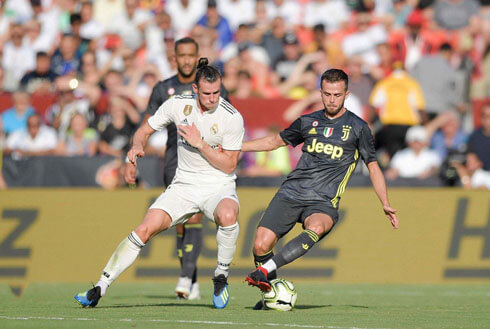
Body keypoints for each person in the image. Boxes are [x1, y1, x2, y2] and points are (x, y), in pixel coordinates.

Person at [75, 58, 244, 310]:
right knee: (144, 229)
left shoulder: (231, 117)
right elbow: (144, 130)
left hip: (217, 185)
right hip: (184, 185)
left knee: (229, 215)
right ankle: (99, 287)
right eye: (207, 93)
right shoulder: (177, 105)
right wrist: (134, 149)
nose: (213, 98)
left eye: (217, 92)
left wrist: (200, 144)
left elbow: (229, 165)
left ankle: (220, 276)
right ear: (195, 89)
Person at [241, 69, 398, 309]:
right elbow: (275, 141)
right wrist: (237, 146)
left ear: (346, 94)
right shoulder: (307, 121)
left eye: (337, 94)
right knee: (261, 244)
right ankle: (271, 293)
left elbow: (373, 166)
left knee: (318, 226)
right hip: (291, 192)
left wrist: (385, 202)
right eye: (327, 94)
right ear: (320, 93)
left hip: (323, 201)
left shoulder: (358, 127)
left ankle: (264, 271)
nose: (332, 99)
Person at [124, 37, 228, 300]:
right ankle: (190, 276)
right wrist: (134, 151)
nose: (186, 60)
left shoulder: (210, 86)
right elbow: (147, 125)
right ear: (175, 58)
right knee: (180, 223)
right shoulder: (163, 89)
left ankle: (186, 277)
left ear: (197, 56)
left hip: (204, 159)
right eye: (181, 55)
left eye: (190, 55)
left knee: (195, 217)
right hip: (175, 159)